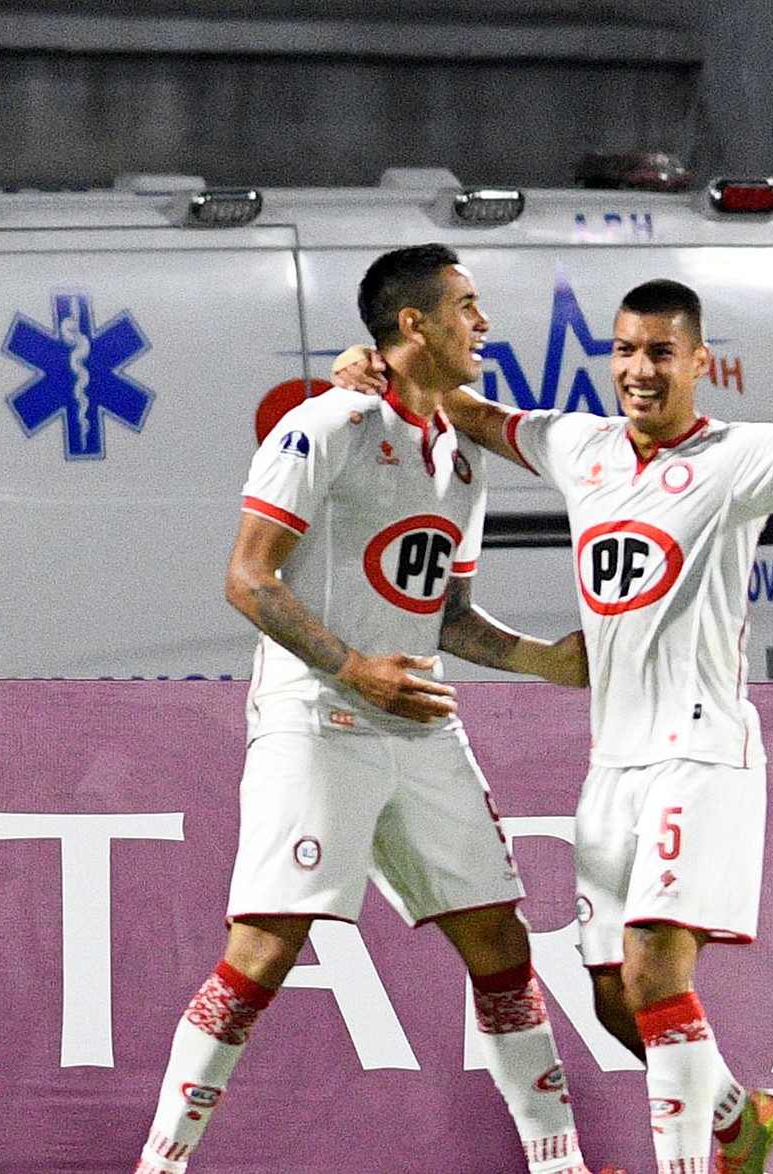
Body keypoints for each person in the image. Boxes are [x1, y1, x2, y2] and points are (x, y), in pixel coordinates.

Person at [335, 279, 773, 1173]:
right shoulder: (582, 448)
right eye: (624, 351)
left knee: (654, 977)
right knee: (615, 1001)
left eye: (658, 354)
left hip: (702, 753)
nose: (638, 372)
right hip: (614, 765)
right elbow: (470, 410)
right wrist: (374, 372)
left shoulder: (735, 459)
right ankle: (735, 1118)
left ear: (694, 361)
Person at [135, 244, 612, 1174]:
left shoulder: (462, 460)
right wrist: (355, 669)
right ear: (413, 325)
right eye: (467, 308)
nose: (483, 326)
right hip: (317, 717)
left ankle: (559, 1164)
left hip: (421, 723)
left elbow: (446, 616)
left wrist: (545, 662)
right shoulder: (329, 426)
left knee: (500, 941)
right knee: (265, 952)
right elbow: (247, 579)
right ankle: (161, 1163)